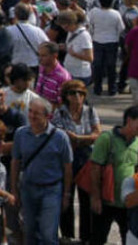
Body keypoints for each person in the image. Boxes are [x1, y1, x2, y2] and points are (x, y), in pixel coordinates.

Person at [9, 97, 72, 245]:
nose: (31, 116)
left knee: (48, 234)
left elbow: (68, 167)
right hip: (28, 188)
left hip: (51, 189)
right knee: (29, 231)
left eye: (36, 113)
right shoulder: (20, 134)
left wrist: (67, 194)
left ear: (47, 116)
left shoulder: (60, 137)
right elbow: (15, 162)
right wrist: (14, 189)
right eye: (30, 111)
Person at [51, 78, 100, 244]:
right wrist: (84, 139)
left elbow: (97, 135)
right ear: (66, 96)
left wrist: (78, 138)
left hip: (86, 159)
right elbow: (61, 138)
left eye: (80, 93)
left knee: (86, 199)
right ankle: (68, 236)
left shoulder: (90, 111)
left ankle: (86, 237)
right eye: (73, 93)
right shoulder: (60, 113)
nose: (77, 97)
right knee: (67, 197)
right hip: (67, 159)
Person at [87, 102, 138, 245]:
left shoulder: (137, 143)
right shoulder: (106, 139)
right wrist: (95, 197)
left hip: (127, 204)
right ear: (129, 120)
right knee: (98, 238)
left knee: (127, 238)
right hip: (105, 201)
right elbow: (95, 169)